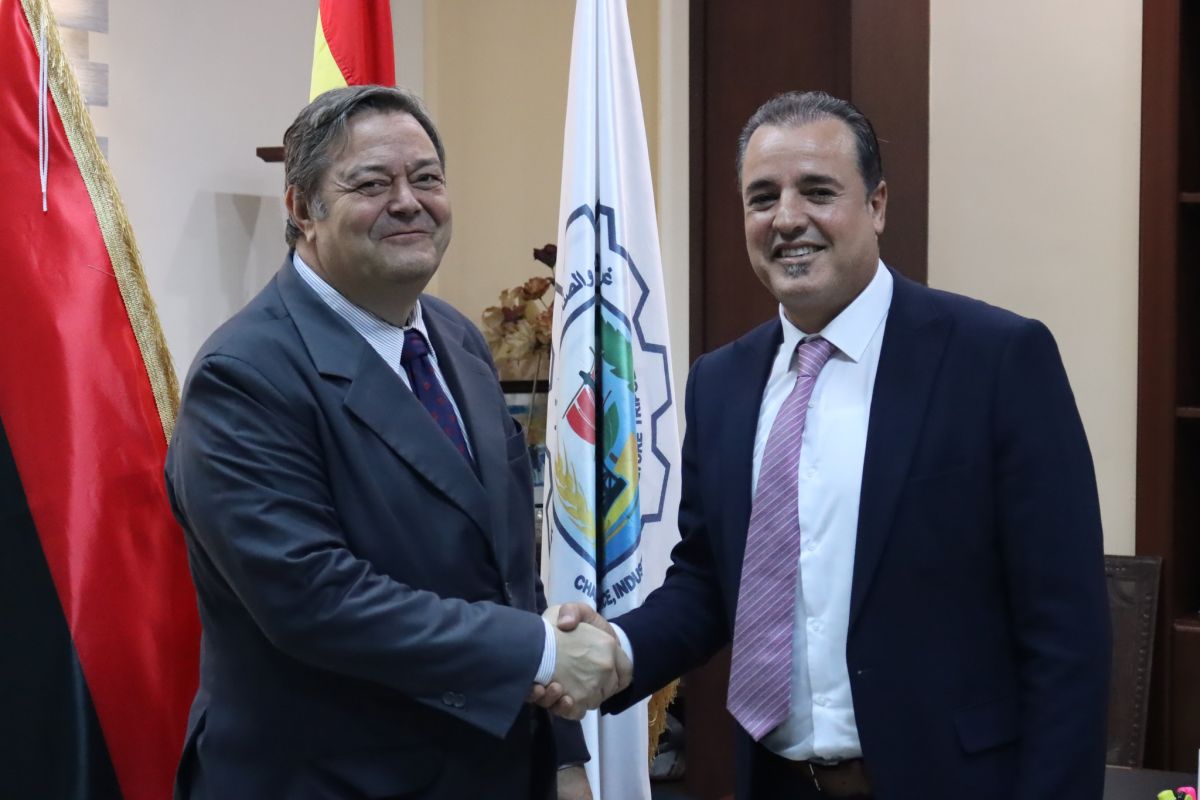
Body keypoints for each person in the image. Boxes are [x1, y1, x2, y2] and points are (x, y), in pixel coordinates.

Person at [550, 91, 1110, 800]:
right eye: (763, 198)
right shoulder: (721, 383)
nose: (787, 219)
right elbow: (710, 579)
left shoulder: (996, 361)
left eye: (817, 191)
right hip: (775, 782)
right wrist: (620, 649)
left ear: (876, 206)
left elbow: (1066, 631)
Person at [165, 85, 628, 800]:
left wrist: (563, 755)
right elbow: (315, 599)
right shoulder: (244, 376)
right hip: (330, 780)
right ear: (301, 209)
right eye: (371, 184)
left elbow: (509, 571)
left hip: (493, 770)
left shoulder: (455, 338)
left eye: (427, 178)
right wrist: (538, 651)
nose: (409, 202)